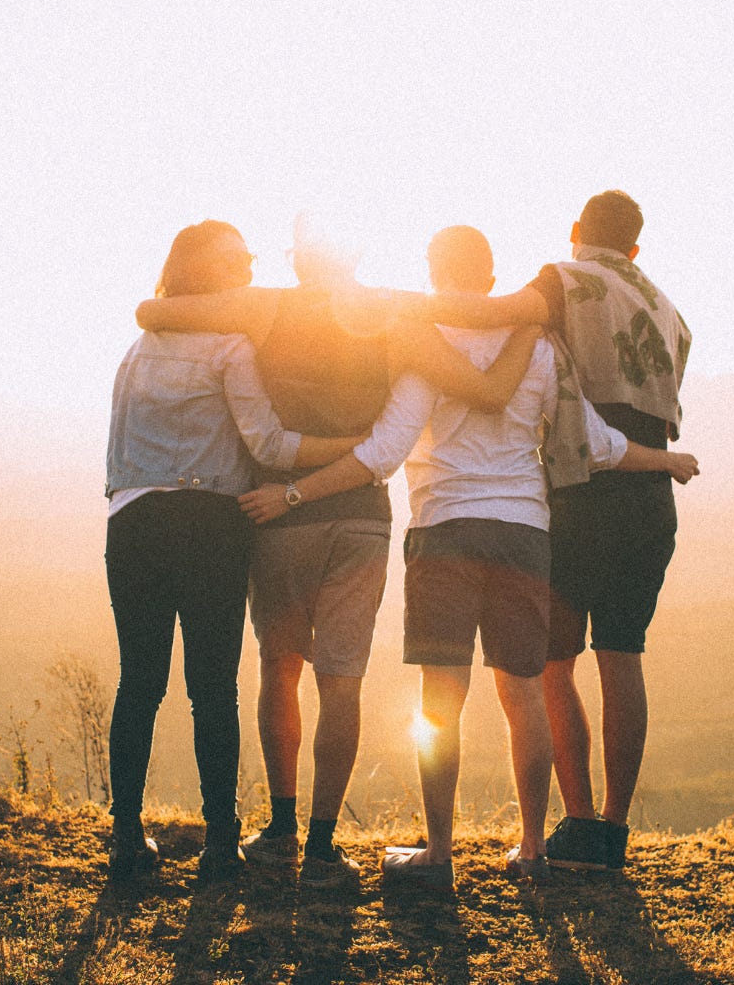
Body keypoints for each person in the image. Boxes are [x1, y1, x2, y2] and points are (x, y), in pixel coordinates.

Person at [239, 226, 698, 889]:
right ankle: (534, 849)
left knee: (440, 702)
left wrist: (294, 492)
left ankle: (439, 855)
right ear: (491, 278)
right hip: (524, 535)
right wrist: (666, 460)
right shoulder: (540, 346)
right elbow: (595, 443)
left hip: (444, 531)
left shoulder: (426, 344)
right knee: (524, 695)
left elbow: (384, 452)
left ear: (433, 271)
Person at [135, 219, 538, 886]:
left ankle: (282, 827)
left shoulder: (267, 307)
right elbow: (480, 380)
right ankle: (323, 847)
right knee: (342, 680)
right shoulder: (394, 315)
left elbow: (155, 311)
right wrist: (530, 321)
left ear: (299, 262)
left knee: (280, 667)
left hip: (277, 516)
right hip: (361, 519)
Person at [414, 192, 693, 872]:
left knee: (552, 666)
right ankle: (615, 832)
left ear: (575, 234)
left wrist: (388, 309)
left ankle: (577, 822)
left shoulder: (563, 280)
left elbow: (487, 314)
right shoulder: (666, 307)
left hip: (581, 490)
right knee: (623, 657)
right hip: (648, 493)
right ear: (635, 246)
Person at [104, 220, 362, 882]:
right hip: (210, 525)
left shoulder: (137, 349)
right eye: (237, 259)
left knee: (139, 684)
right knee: (212, 690)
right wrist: (354, 449)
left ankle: (126, 838)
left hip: (132, 522)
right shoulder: (231, 346)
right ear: (207, 273)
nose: (249, 266)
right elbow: (270, 447)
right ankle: (221, 844)